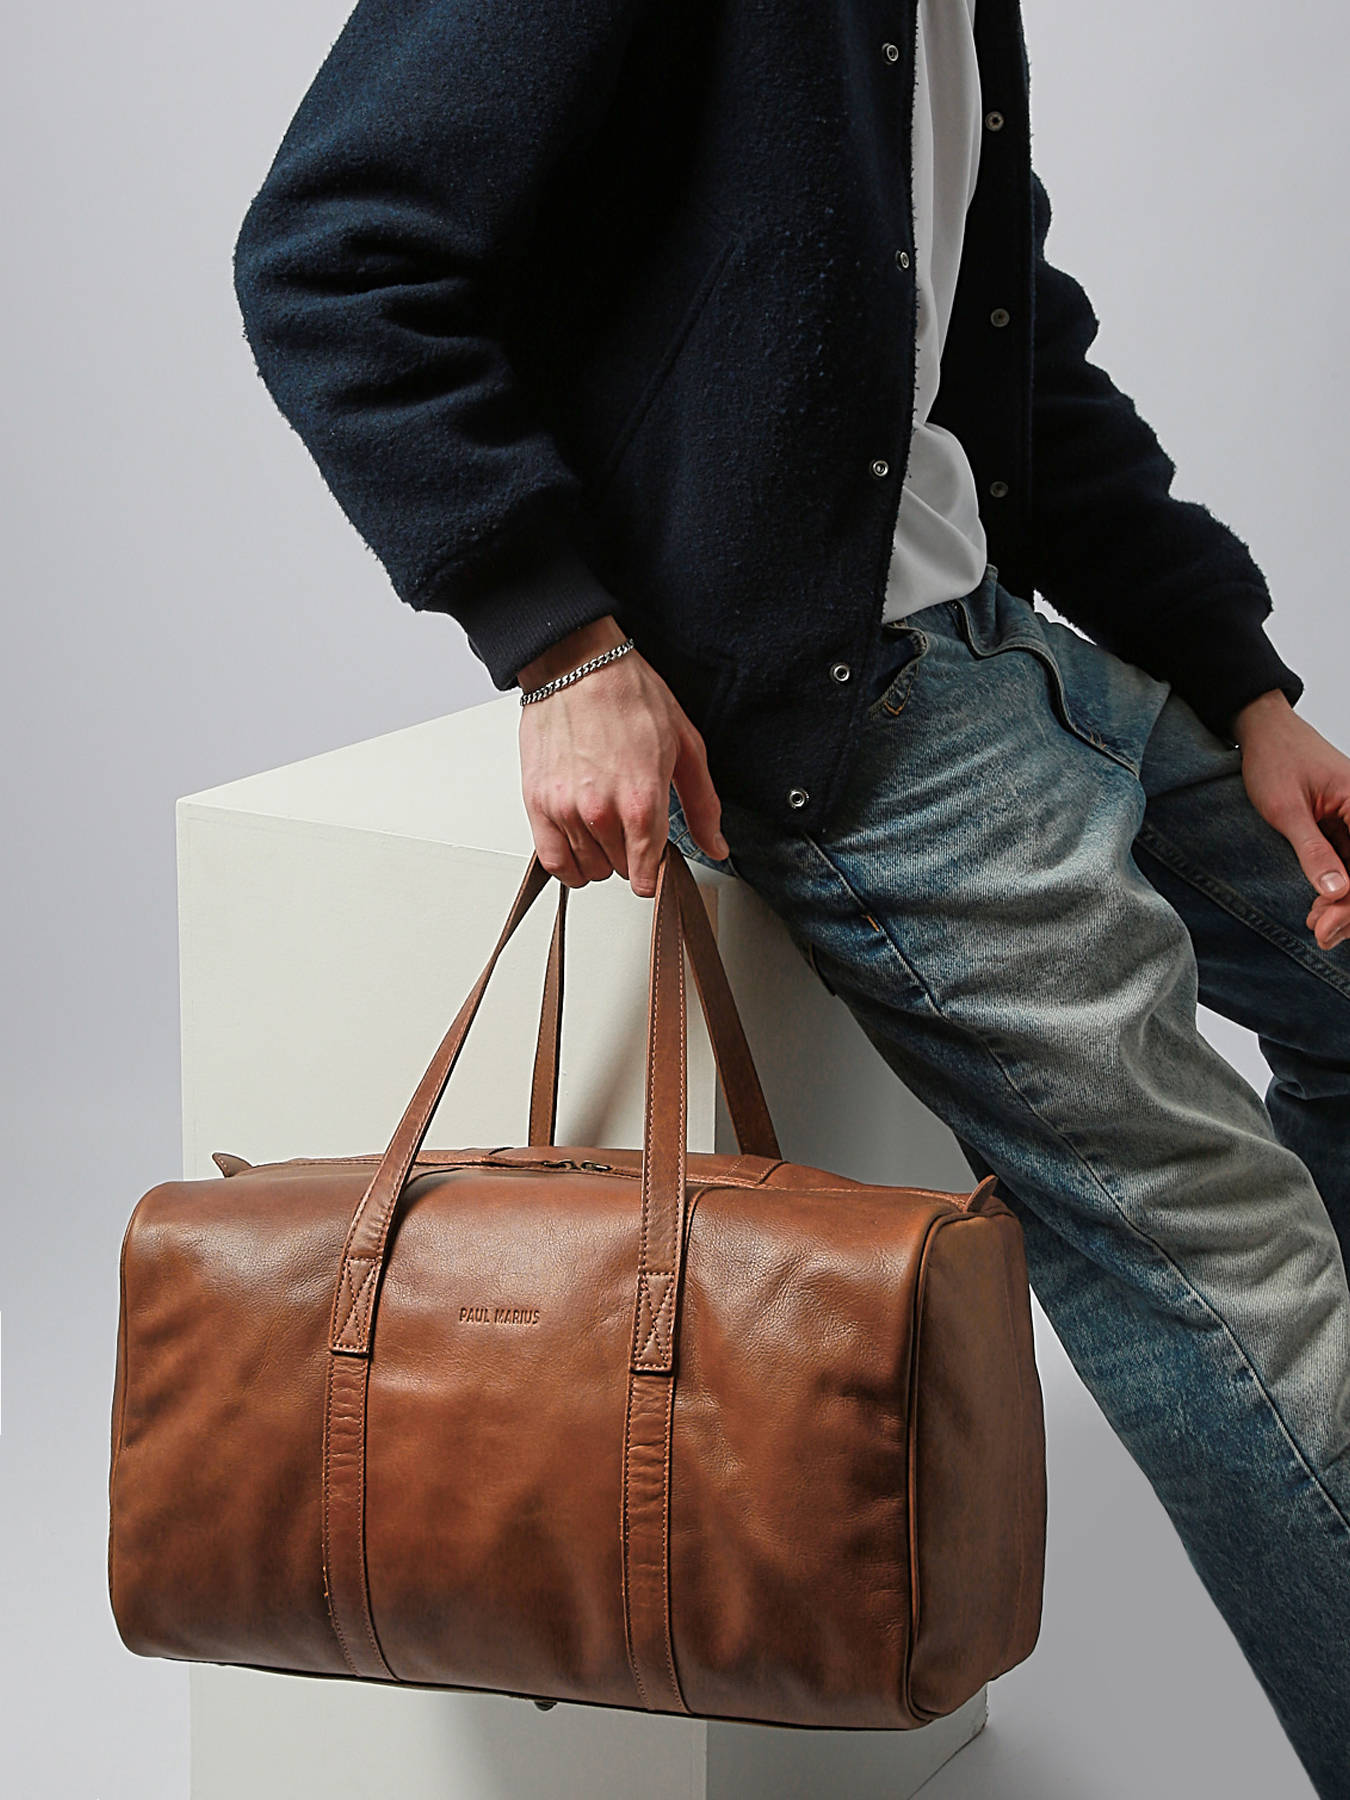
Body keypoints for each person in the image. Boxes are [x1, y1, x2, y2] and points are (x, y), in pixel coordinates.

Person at [230, 0, 1350, 1789]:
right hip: (846, 709)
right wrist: (559, 642)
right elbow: (331, 251)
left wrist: (1242, 686)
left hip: (1009, 648)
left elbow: (1005, 346)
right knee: (1230, 1268)